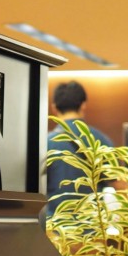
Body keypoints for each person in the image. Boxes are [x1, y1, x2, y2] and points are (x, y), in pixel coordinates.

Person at [45, 80, 113, 214]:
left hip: (56, 225)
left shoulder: (45, 143)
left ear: (54, 108)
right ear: (83, 105)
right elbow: (119, 185)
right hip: (93, 226)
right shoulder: (101, 140)